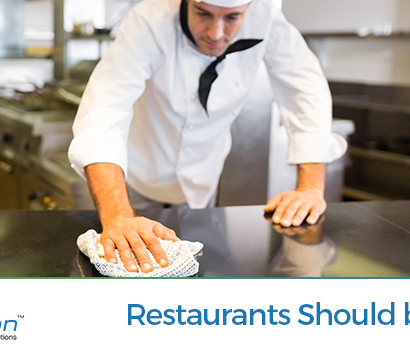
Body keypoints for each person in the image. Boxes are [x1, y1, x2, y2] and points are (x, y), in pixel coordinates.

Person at [68, 0, 346, 273]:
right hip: (135, 183)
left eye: (232, 18)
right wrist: (118, 216)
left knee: (204, 275)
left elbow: (306, 89)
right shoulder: (149, 19)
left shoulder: (267, 18)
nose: (215, 33)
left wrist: (310, 187)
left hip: (203, 187)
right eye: (202, 13)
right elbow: (104, 109)